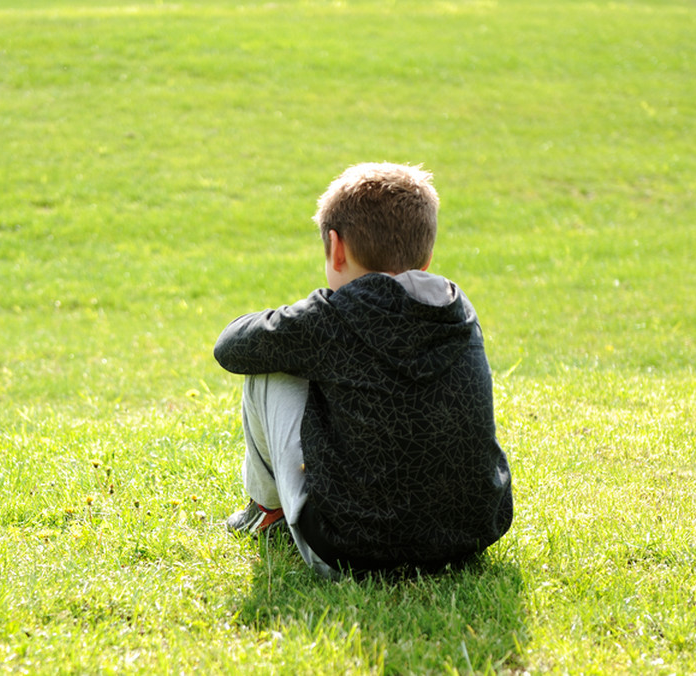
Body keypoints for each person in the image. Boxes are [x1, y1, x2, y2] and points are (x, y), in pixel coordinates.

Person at [214, 162, 513, 579]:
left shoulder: (331, 317)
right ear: (426, 257)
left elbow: (231, 348)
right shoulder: (458, 310)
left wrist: (303, 314)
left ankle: (267, 512)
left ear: (336, 248)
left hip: (351, 550)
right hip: (471, 536)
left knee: (268, 367)